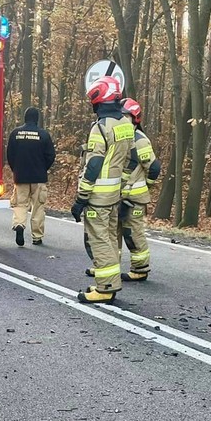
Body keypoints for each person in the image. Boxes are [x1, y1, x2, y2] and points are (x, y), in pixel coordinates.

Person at [71, 75, 134, 303]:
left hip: (98, 195)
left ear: (98, 100)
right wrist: (122, 183)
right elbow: (132, 159)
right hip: (114, 194)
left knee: (99, 240)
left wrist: (81, 197)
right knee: (108, 238)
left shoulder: (100, 127)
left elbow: (94, 164)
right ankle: (110, 280)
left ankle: (106, 287)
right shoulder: (126, 124)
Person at [117, 98, 161, 282]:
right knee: (114, 231)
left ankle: (140, 268)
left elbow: (154, 167)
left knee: (133, 232)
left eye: (125, 116)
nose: (121, 119)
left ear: (134, 118)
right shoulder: (121, 136)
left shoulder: (140, 141)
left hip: (134, 198)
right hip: (119, 195)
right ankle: (109, 266)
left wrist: (146, 186)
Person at [6, 106, 56, 246]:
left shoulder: (15, 133)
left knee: (20, 204)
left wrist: (15, 169)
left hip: (20, 177)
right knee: (38, 207)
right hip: (39, 178)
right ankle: (37, 237)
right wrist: (43, 168)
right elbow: (51, 155)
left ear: (25, 118)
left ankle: (19, 225)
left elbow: (10, 154)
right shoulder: (44, 135)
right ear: (37, 119)